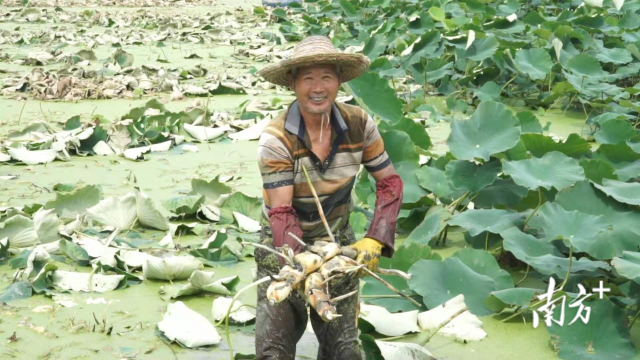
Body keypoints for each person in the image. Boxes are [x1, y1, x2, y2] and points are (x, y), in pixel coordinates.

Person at [254, 35, 404, 360]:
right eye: (308, 77)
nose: (317, 87)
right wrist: (303, 270)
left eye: (326, 77)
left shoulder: (359, 124)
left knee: (345, 351)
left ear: (339, 80)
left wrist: (376, 239)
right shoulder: (275, 139)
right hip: (282, 247)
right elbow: (281, 213)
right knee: (273, 351)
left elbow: (390, 182)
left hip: (339, 243)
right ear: (293, 83)